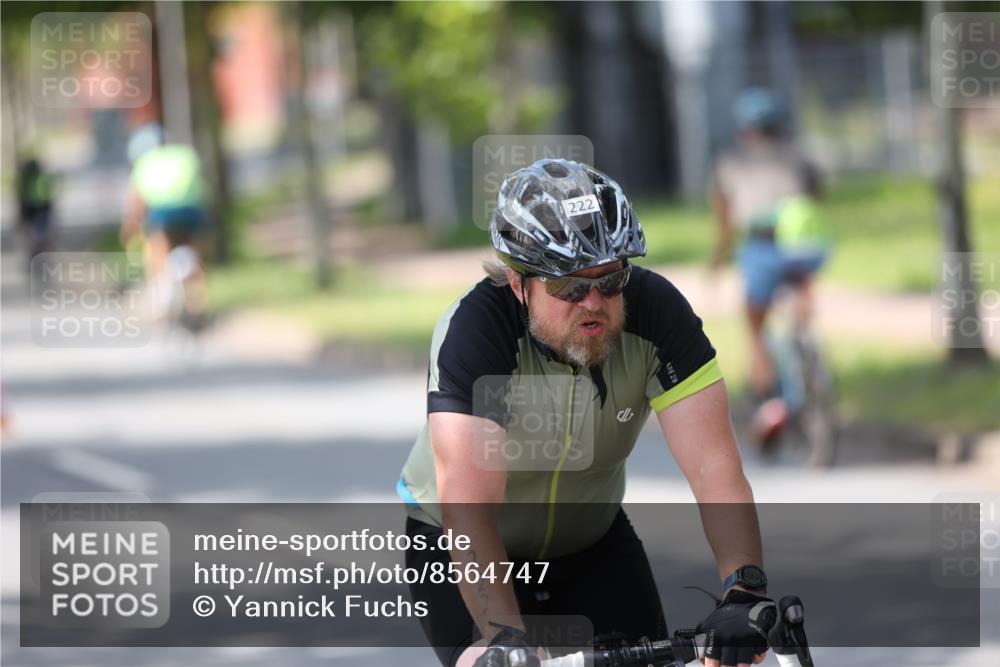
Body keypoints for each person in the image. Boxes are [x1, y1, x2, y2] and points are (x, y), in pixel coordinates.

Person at [399, 159, 775, 667]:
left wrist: (743, 590)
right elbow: (469, 508)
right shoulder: (477, 332)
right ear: (519, 283)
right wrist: (504, 635)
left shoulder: (658, 314)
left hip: (592, 542)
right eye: (570, 287)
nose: (594, 302)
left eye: (611, 279)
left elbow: (715, 470)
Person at [709, 89, 830, 444]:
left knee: (755, 325)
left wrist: (717, 259)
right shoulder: (800, 157)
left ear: (744, 129)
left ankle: (769, 399)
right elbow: (818, 201)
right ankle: (807, 344)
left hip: (762, 247)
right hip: (807, 247)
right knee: (800, 294)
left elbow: (726, 221)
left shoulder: (731, 162)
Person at [121, 123, 208, 328]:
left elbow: (136, 204)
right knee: (193, 249)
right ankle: (198, 300)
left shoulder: (145, 162)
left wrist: (130, 229)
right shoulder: (185, 154)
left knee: (157, 249)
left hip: (163, 212)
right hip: (191, 210)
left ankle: (161, 298)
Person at [16, 156, 56, 266]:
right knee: (41, 235)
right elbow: (49, 197)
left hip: (31, 211)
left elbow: (21, 199)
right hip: (42, 210)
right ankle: (40, 257)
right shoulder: (41, 178)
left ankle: (35, 257)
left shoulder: (24, 180)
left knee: (33, 236)